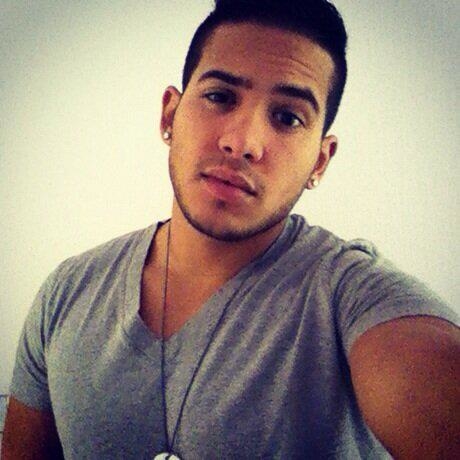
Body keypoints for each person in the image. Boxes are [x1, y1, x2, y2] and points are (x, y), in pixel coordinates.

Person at [2, 0, 459, 458]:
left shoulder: (352, 295)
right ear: (169, 116)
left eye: (288, 117)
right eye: (220, 97)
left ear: (320, 162)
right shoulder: (67, 292)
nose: (242, 142)